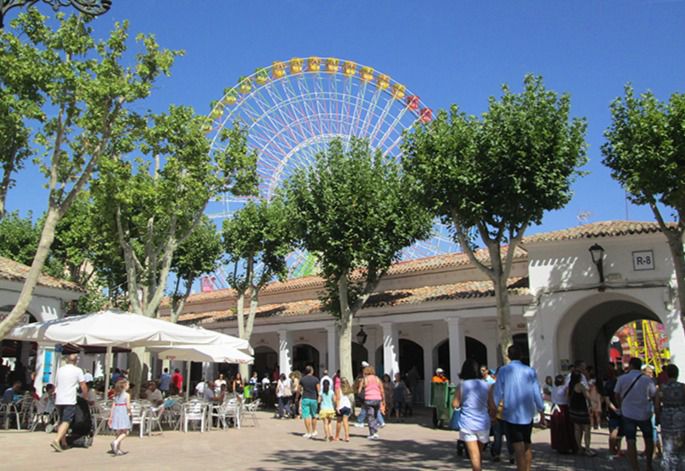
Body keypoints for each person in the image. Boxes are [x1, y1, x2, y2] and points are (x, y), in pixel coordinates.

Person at [493, 345, 546, 471]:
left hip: (511, 414)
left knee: (518, 448)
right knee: (527, 445)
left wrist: (493, 410)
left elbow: (498, 392)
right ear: (521, 355)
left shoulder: (503, 371)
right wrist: (541, 409)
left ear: (508, 356)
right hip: (528, 414)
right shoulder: (530, 371)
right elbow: (536, 392)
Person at [614, 357, 657, 471]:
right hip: (644, 413)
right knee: (648, 439)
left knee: (631, 440)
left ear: (631, 365)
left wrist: (621, 405)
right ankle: (648, 464)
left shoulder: (622, 378)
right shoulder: (647, 380)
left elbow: (616, 394)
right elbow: (654, 395)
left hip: (628, 413)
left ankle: (635, 467)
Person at [452, 358, 493, 471]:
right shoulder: (487, 386)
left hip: (468, 424)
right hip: (483, 423)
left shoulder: (462, 386)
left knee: (474, 456)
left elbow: (455, 404)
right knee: (479, 454)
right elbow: (492, 406)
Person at [51, 352, 88, 452]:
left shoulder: (60, 370)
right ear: (76, 361)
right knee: (67, 421)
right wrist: (85, 396)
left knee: (61, 420)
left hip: (59, 398)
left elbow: (56, 383)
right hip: (69, 398)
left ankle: (64, 443)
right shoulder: (78, 370)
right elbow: (83, 385)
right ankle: (57, 440)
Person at [655, 364, 685, 470]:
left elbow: (657, 405)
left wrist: (658, 418)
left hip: (667, 417)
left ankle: (669, 467)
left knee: (668, 446)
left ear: (667, 374)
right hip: (681, 417)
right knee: (681, 446)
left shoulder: (661, 388)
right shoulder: (683, 387)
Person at [568, 371, 595, 456]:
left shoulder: (570, 386)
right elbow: (588, 397)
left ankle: (579, 448)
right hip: (582, 409)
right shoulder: (580, 385)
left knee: (577, 429)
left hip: (573, 409)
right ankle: (587, 449)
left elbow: (567, 397)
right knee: (587, 429)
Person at [550, 374, 577, 454]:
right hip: (562, 408)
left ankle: (558, 445)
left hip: (555, 408)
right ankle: (565, 445)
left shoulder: (554, 388)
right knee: (564, 427)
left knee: (557, 428)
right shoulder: (564, 388)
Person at [358, 365, 385, 440]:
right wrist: (383, 401)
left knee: (370, 416)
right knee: (375, 415)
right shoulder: (377, 379)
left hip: (369, 399)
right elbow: (382, 390)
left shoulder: (365, 379)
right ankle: (375, 432)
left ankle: (372, 433)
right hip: (377, 399)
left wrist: (361, 395)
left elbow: (359, 390)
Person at [603, 367, 624, 460]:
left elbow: (607, 400)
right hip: (623, 409)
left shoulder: (608, 384)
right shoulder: (621, 384)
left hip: (612, 410)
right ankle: (617, 449)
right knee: (620, 432)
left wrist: (614, 409)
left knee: (613, 431)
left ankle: (612, 449)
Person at [108, 378, 131, 456]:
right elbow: (128, 406)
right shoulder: (127, 395)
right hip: (123, 411)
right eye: (128, 385)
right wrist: (130, 411)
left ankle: (117, 449)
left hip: (116, 412)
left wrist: (111, 416)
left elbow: (113, 406)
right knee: (125, 431)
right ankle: (116, 442)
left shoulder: (116, 395)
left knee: (118, 431)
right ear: (125, 386)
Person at [300, 365, 320, 439]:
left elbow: (299, 389)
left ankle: (308, 432)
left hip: (305, 398)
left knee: (306, 416)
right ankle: (314, 431)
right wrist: (319, 397)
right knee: (314, 415)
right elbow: (318, 389)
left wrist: (296, 398)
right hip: (313, 398)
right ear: (312, 371)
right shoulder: (316, 379)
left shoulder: (302, 379)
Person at [334, 378, 353, 442]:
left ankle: (337, 436)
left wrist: (337, 407)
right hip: (347, 406)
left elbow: (338, 398)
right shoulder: (348, 389)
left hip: (341, 405)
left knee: (339, 422)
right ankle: (347, 436)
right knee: (346, 421)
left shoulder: (338, 388)